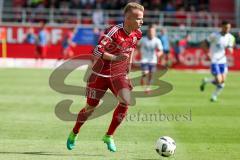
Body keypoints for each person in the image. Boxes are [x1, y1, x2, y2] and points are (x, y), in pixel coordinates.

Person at [66, 2, 144, 152]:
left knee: (125, 101)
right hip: (99, 75)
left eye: (142, 18)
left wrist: (129, 64)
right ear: (128, 18)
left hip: (118, 75)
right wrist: (115, 58)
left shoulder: (137, 34)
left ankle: (109, 135)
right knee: (90, 108)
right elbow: (96, 51)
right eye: (139, 18)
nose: (142, 21)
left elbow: (132, 48)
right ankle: (75, 131)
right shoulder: (113, 31)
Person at [200, 21, 235, 102]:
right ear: (222, 27)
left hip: (223, 61)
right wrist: (207, 53)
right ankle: (213, 95)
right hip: (215, 60)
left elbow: (230, 47)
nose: (227, 29)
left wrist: (231, 49)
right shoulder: (214, 35)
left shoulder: (230, 37)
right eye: (226, 27)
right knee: (219, 81)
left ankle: (210, 88)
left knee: (222, 82)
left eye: (229, 28)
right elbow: (204, 43)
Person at [138, 24, 163, 93]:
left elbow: (161, 50)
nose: (151, 33)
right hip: (144, 59)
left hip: (153, 60)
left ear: (154, 32)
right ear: (148, 32)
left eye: (153, 32)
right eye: (150, 31)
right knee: (146, 73)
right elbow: (137, 46)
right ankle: (143, 77)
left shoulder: (157, 40)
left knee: (151, 74)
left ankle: (148, 88)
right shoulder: (143, 39)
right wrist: (137, 52)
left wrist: (159, 53)